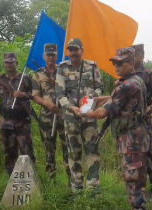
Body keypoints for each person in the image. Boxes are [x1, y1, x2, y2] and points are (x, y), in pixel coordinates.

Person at [85, 47, 149, 210]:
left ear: (130, 63)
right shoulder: (137, 80)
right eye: (114, 63)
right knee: (138, 180)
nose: (116, 67)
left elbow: (102, 113)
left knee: (133, 180)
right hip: (137, 135)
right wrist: (105, 98)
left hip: (131, 139)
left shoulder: (126, 85)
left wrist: (86, 111)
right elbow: (124, 100)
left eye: (120, 63)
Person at [0, 53, 55, 176]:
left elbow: (36, 96)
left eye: (11, 62)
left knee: (27, 153)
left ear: (16, 63)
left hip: (22, 122)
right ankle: (11, 183)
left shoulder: (25, 78)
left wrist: (23, 95)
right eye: (6, 62)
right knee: (8, 154)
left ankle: (32, 182)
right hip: (5, 121)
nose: (8, 65)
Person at [55, 38, 104, 191]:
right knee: (73, 152)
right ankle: (77, 188)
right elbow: (60, 94)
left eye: (76, 50)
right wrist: (72, 108)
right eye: (70, 50)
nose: (73, 53)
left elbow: (100, 88)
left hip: (89, 116)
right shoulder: (62, 68)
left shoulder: (91, 66)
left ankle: (93, 188)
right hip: (71, 118)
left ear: (82, 50)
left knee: (92, 151)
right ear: (68, 52)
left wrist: (90, 100)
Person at [32, 44, 70, 182]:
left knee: (68, 149)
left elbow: (72, 91)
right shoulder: (38, 74)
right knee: (49, 150)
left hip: (64, 115)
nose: (50, 57)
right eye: (48, 54)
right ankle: (51, 181)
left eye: (53, 54)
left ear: (57, 56)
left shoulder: (64, 71)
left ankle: (72, 183)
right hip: (47, 118)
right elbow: (35, 95)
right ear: (43, 56)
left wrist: (58, 84)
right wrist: (47, 104)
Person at [131, 44, 152, 196]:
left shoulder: (149, 74)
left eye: (134, 55)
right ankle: (137, 187)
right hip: (130, 122)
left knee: (147, 152)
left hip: (145, 121)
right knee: (133, 153)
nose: (130, 59)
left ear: (141, 57)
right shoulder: (127, 74)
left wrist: (149, 109)